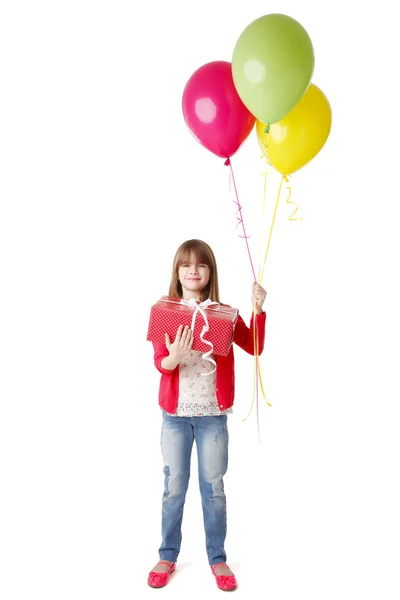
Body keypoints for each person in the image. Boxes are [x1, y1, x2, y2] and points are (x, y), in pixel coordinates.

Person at [147, 239, 267, 591]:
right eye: (186, 265)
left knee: (213, 488)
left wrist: (257, 309)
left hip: (214, 415)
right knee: (173, 487)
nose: (193, 270)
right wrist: (175, 354)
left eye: (201, 265)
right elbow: (161, 364)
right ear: (177, 272)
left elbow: (255, 345)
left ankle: (218, 558)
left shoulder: (224, 313)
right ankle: (167, 554)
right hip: (175, 416)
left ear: (210, 272)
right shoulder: (165, 312)